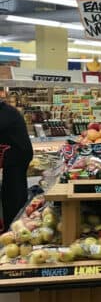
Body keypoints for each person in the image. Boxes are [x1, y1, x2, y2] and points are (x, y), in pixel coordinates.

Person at [0, 98, 33, 228]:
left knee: (13, 193)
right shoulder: (7, 111)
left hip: (17, 157)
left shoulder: (5, 113)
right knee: (11, 190)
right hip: (15, 156)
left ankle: (14, 225)